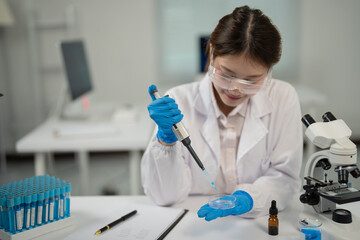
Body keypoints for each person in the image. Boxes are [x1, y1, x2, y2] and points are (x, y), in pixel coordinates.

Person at [141, 5, 303, 220]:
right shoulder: (179, 100)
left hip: (257, 222)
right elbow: (164, 197)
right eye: (227, 74)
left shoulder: (283, 97)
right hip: (191, 221)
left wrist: (250, 198)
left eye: (251, 81)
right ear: (210, 52)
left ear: (269, 71)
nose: (235, 89)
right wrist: (166, 143)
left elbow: (285, 177)